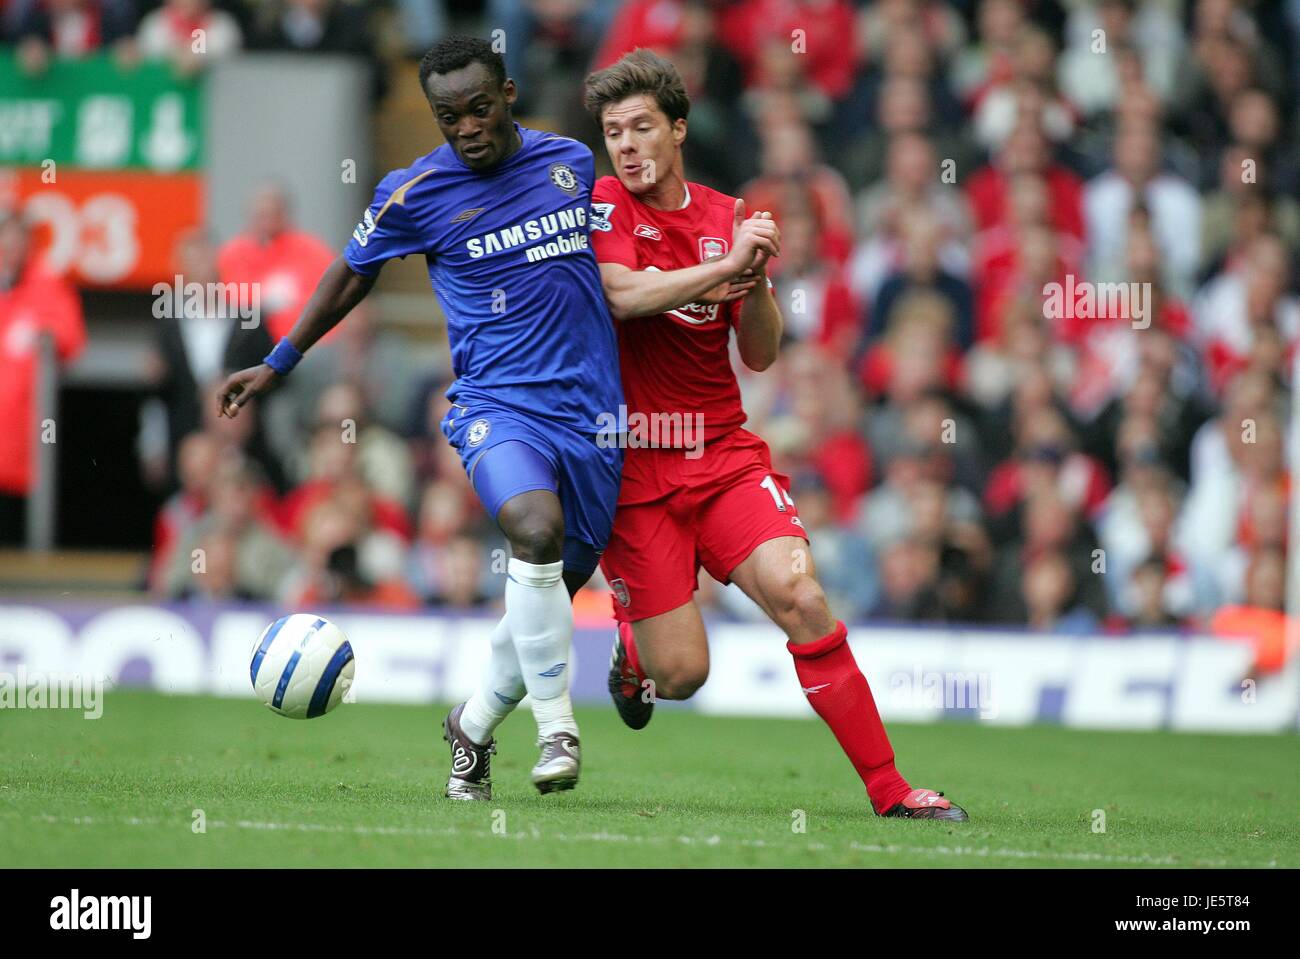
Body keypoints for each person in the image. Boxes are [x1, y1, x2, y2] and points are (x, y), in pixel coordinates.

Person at [215, 36, 624, 801]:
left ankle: (469, 726)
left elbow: (618, 275)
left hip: (591, 419)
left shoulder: (570, 164)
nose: (466, 128)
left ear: (506, 94)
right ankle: (557, 726)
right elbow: (350, 274)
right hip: (496, 406)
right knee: (532, 530)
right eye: (446, 118)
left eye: (477, 109)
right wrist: (279, 360)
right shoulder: (416, 192)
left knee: (549, 588)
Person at [581, 48, 967, 821]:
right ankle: (632, 640)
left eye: (641, 127)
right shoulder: (607, 205)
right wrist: (719, 267)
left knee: (802, 593)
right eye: (613, 130)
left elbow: (759, 352)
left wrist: (752, 277)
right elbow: (622, 298)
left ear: (679, 129)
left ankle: (892, 790)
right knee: (684, 675)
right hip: (635, 471)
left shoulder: (728, 216)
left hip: (721, 453)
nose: (625, 145)